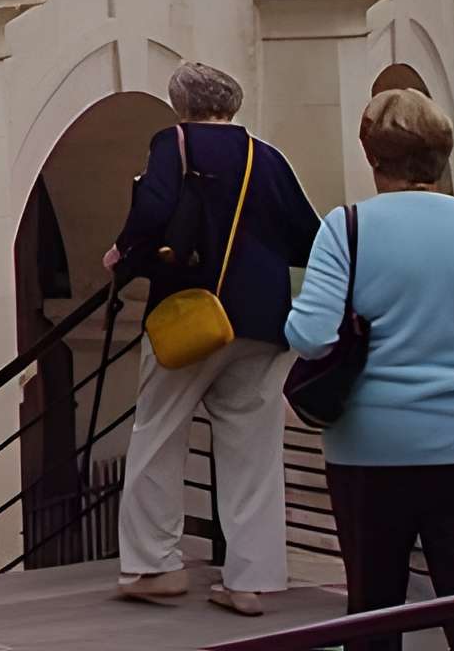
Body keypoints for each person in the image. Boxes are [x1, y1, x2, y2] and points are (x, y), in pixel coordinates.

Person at [284, 89, 454, 651]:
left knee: (373, 613)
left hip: (371, 452)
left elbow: (308, 336)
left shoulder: (346, 228)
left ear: (373, 157)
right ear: (442, 155)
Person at [102, 61, 323, 616]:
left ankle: (154, 565)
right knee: (253, 449)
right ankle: (252, 579)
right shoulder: (266, 157)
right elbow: (307, 237)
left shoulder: (173, 142)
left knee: (158, 432)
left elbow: (153, 208)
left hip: (193, 312)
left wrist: (123, 255)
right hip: (264, 318)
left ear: (181, 103)